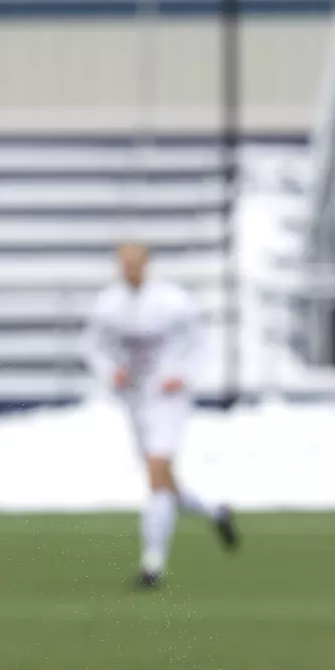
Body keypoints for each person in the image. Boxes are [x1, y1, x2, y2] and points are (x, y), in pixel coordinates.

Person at [81, 243, 237, 587]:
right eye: (124, 263)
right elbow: (92, 347)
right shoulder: (109, 304)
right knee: (163, 480)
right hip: (135, 400)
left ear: (146, 264)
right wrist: (110, 372)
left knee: (156, 471)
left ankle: (152, 564)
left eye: (135, 262)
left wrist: (183, 375)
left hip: (168, 400)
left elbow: (200, 343)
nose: (129, 268)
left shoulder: (172, 302)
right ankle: (215, 512)